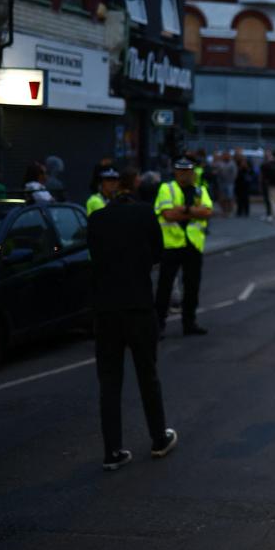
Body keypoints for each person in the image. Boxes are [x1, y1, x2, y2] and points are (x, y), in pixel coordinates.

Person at [86, 166, 178, 471]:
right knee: (147, 376)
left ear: (112, 189)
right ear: (134, 188)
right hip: (138, 306)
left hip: (105, 310)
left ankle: (112, 452)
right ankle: (158, 439)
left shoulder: (96, 219)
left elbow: (93, 258)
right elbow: (157, 254)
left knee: (109, 383)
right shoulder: (143, 214)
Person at [153, 158, 213, 337]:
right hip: (171, 245)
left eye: (188, 171)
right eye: (181, 171)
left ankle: (189, 323)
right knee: (165, 287)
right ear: (176, 172)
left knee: (192, 287)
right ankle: (158, 325)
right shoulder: (166, 188)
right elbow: (168, 215)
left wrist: (184, 210)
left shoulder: (200, 190)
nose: (185, 174)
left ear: (192, 172)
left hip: (193, 245)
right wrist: (194, 212)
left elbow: (208, 212)